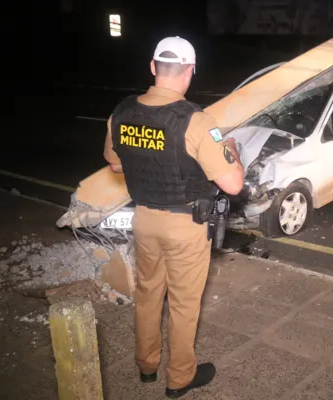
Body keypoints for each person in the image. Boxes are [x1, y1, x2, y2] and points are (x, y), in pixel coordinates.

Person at [103, 36, 245, 398]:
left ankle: (146, 366)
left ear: (153, 67)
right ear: (190, 71)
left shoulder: (121, 113)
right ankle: (180, 378)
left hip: (144, 220)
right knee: (183, 303)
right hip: (185, 226)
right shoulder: (196, 121)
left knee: (149, 294)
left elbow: (116, 162)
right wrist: (229, 151)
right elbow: (232, 184)